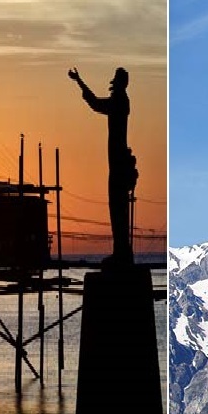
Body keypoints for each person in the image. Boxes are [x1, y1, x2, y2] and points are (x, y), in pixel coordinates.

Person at [69, 66, 137, 265]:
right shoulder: (121, 100)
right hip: (116, 161)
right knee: (117, 209)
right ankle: (121, 252)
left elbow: (95, 103)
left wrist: (79, 81)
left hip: (117, 163)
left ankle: (122, 253)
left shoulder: (119, 101)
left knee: (117, 209)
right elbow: (97, 103)